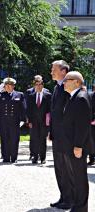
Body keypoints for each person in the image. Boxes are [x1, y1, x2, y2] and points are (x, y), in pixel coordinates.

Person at [62, 71, 93, 212]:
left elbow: (83, 125)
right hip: (71, 145)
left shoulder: (80, 97)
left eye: (67, 79)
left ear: (77, 82)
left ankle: (81, 208)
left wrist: (78, 145)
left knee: (79, 178)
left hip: (77, 146)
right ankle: (77, 205)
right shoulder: (72, 97)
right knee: (74, 176)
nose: (64, 82)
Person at [49, 60, 73, 210]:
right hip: (57, 135)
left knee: (68, 169)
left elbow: (69, 113)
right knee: (59, 168)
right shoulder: (57, 87)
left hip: (66, 136)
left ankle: (71, 199)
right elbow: (54, 113)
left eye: (54, 69)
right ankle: (63, 197)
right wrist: (51, 131)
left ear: (63, 71)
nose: (51, 71)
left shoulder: (68, 87)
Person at [0, 77, 26, 163]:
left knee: (14, 140)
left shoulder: (19, 95)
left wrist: (23, 120)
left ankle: (14, 157)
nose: (8, 87)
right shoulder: (1, 95)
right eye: (6, 85)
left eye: (10, 85)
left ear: (14, 86)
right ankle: (6, 157)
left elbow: (23, 108)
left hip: (15, 121)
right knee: (4, 139)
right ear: (4, 86)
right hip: (3, 122)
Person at [26, 76, 51, 164]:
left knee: (42, 140)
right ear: (34, 86)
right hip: (34, 122)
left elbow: (49, 110)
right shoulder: (31, 96)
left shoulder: (48, 95)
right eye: (36, 84)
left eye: (40, 84)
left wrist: (49, 122)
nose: (38, 86)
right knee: (35, 139)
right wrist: (29, 121)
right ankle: (35, 157)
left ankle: (43, 158)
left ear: (42, 85)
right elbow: (28, 110)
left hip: (44, 121)